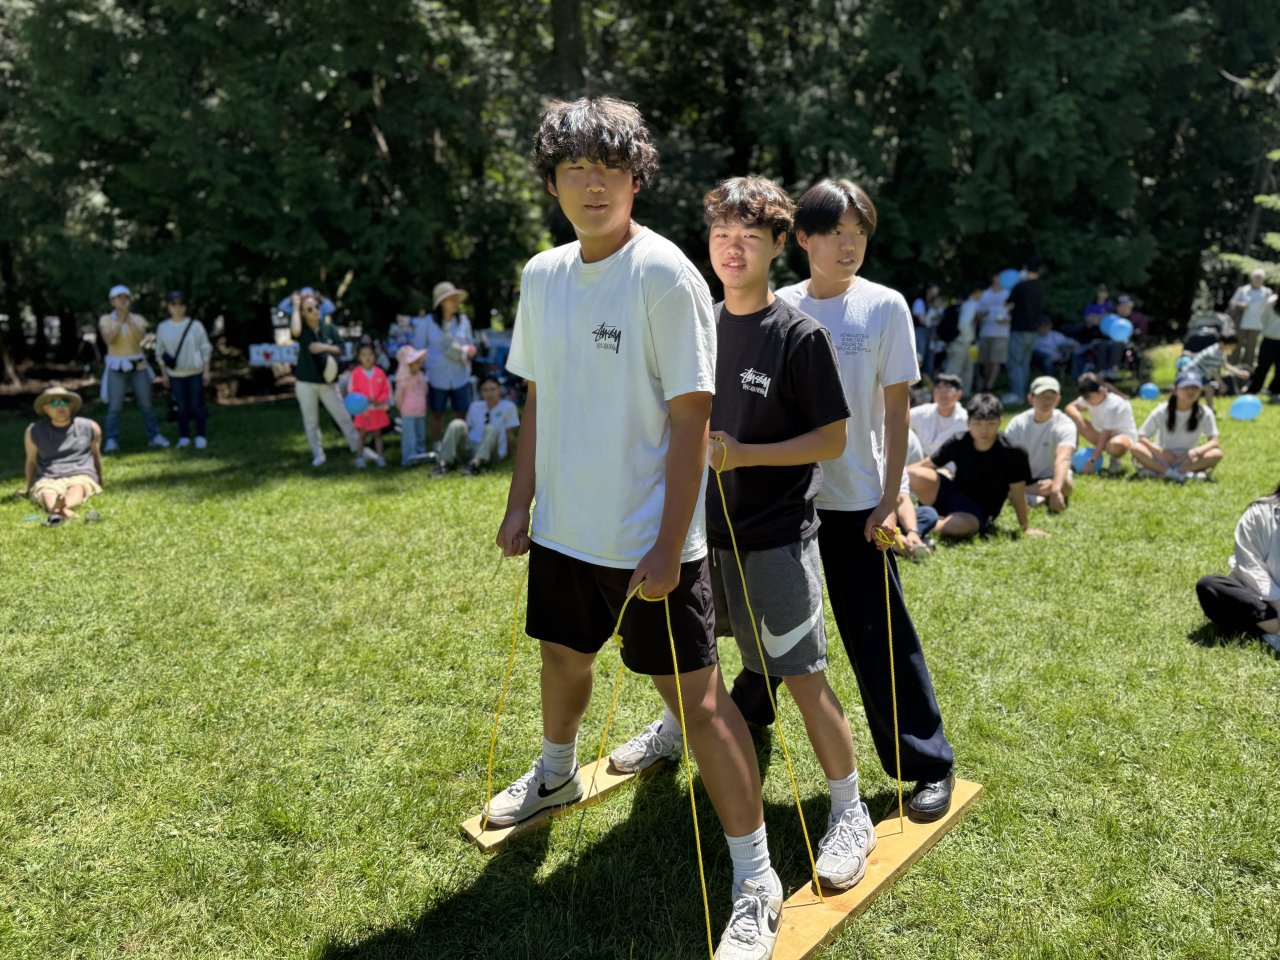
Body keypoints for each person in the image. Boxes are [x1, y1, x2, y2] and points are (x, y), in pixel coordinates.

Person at [487, 97, 783, 960]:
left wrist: (667, 543)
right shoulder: (542, 274)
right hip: (564, 531)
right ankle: (555, 774)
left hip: (654, 544)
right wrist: (520, 500)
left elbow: (693, 419)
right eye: (574, 169)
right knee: (561, 658)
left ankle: (756, 877)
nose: (592, 185)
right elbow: (538, 394)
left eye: (609, 170)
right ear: (551, 182)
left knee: (699, 705)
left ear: (636, 180)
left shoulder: (664, 275)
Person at [610, 176, 878, 894]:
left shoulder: (800, 336)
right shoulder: (695, 322)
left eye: (750, 237)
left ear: (779, 245)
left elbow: (831, 439)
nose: (733, 249)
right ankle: (676, 730)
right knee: (688, 659)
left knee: (802, 676)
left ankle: (849, 809)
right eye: (722, 235)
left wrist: (747, 454)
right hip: (699, 535)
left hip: (775, 537)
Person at [730, 178, 958, 825]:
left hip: (856, 502)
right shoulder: (778, 304)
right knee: (769, 618)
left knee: (878, 636)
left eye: (858, 233)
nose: (848, 245)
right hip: (782, 498)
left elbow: (896, 412)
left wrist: (888, 499)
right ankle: (750, 706)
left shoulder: (884, 306)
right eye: (835, 232)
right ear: (802, 238)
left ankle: (927, 762)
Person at [908, 393, 1046, 539]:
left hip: (979, 510)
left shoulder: (1014, 452)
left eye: (990, 423)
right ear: (968, 422)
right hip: (953, 495)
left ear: (1000, 421)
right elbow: (926, 465)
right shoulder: (959, 441)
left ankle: (914, 525)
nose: (983, 430)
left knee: (954, 528)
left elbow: (1018, 492)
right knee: (913, 473)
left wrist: (1025, 527)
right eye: (977, 423)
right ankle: (901, 513)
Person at [1195, 483, 1280, 654]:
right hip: (1262, 600)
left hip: (1266, 616)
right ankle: (1274, 627)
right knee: (1210, 585)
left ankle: (1268, 629)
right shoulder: (1259, 513)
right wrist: (1278, 605)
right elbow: (1251, 568)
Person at [290, 290, 362, 468]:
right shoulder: (303, 329)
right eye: (309, 309)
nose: (315, 311)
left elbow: (340, 348)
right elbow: (295, 330)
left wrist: (322, 347)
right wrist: (295, 307)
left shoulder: (329, 328)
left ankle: (358, 449)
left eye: (316, 307)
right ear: (303, 313)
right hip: (306, 382)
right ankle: (318, 455)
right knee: (311, 421)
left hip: (328, 382)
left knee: (343, 416)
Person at [98, 284, 168, 452]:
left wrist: (128, 320)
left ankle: (154, 436)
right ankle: (111, 439)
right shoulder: (105, 319)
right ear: (112, 301)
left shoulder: (137, 319)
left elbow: (141, 339)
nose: (122, 301)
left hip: (138, 362)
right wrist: (120, 321)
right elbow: (109, 339)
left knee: (146, 403)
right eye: (119, 298)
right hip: (116, 364)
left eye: (125, 298)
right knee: (115, 406)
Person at [20, 385, 103, 525]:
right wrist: (29, 488)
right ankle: (59, 508)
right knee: (46, 492)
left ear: (71, 406)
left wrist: (100, 480)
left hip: (81, 473)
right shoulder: (34, 431)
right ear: (46, 409)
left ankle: (61, 508)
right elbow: (31, 461)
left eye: (64, 402)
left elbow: (96, 456)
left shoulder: (90, 427)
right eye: (54, 403)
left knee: (78, 488)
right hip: (48, 477)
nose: (60, 407)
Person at [414, 281, 476, 443]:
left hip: (460, 375)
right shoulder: (427, 323)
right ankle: (437, 444)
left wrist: (468, 352)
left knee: (461, 411)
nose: (455, 303)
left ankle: (460, 443)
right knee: (436, 412)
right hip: (437, 376)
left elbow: (471, 344)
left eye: (456, 299)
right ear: (441, 302)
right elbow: (418, 350)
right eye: (451, 299)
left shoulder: (463, 321)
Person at [1132, 369, 1222, 483]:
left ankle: (1179, 471)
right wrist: (1160, 452)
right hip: (1162, 458)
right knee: (1135, 448)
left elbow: (1214, 441)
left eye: (1195, 388)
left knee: (1216, 454)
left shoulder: (1204, 412)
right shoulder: (1162, 410)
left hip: (1188, 459)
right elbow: (1142, 436)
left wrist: (1195, 452)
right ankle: (1170, 473)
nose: (1191, 391)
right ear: (1175, 391)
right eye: (1186, 388)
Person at [1004, 376, 1077, 512]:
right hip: (1022, 476)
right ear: (1031, 398)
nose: (1046, 401)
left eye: (1051, 397)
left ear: (1058, 400)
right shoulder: (1018, 422)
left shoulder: (1065, 424)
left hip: (1051, 476)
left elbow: (1063, 457)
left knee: (1066, 484)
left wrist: (1055, 490)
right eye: (1041, 396)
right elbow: (1005, 456)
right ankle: (1028, 493)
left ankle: (1020, 494)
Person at [154, 290, 213, 449]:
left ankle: (200, 436)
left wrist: (207, 370)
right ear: (168, 307)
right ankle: (184, 436)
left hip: (195, 372)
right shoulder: (163, 327)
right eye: (174, 304)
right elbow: (159, 352)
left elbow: (205, 348)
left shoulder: (196, 325)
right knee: (181, 407)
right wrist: (164, 374)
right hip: (175, 374)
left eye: (181, 304)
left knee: (197, 405)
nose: (177, 308)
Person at [438, 375, 520, 476]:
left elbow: (510, 434)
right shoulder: (474, 406)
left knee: (491, 428)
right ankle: (443, 463)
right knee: (457, 423)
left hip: (492, 450)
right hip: (471, 448)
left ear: (499, 390)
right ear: (481, 392)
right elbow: (467, 429)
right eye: (485, 390)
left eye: (493, 389)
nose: (490, 393)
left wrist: (514, 456)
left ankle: (475, 465)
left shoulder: (509, 407)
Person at [1064, 373, 1137, 475]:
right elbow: (1069, 407)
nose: (1088, 401)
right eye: (1086, 398)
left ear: (1102, 391)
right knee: (1073, 418)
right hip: (1100, 434)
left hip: (1121, 438)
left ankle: (1115, 461)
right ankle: (1070, 454)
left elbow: (1105, 434)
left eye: (1090, 398)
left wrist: (1092, 460)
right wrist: (1078, 417)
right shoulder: (1090, 398)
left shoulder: (1114, 405)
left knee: (1116, 445)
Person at [1005, 255, 1046, 403]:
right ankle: (1023, 392)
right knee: (1024, 363)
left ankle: (1017, 394)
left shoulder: (1020, 286)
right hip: (1033, 330)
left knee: (1015, 362)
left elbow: (1007, 304)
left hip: (1019, 328)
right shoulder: (1041, 286)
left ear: (1025, 268)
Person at [349, 343, 392, 468]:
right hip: (363, 409)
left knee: (378, 434)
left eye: (370, 354)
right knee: (362, 434)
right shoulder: (356, 373)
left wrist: (380, 400)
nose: (367, 357)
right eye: (363, 355)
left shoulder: (380, 372)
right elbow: (353, 390)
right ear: (359, 357)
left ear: (374, 356)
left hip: (377, 409)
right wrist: (364, 400)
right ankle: (360, 457)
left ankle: (380, 457)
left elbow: (385, 389)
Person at [1181, 334, 1249, 408]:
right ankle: (1208, 408)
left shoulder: (1219, 350)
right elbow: (1214, 373)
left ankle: (1207, 408)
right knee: (1208, 389)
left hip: (1199, 374)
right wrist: (1221, 384)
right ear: (1222, 343)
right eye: (1231, 347)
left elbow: (1226, 365)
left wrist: (1240, 373)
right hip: (1192, 374)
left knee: (1208, 389)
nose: (1232, 350)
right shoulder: (1214, 354)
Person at [909, 373, 968, 458]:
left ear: (959, 394)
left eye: (948, 388)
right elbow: (900, 422)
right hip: (918, 461)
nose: (942, 393)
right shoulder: (923, 412)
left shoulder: (965, 420)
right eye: (939, 388)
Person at [943, 281, 984, 394]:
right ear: (976, 292)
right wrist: (969, 339)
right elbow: (963, 324)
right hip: (961, 341)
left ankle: (964, 392)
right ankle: (945, 391)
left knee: (967, 367)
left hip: (962, 341)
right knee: (954, 368)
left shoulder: (965, 304)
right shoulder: (972, 304)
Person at [1229, 268, 1274, 367]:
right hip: (1241, 323)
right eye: (1256, 278)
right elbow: (1233, 302)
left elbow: (1271, 307)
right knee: (1237, 345)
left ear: (1263, 280)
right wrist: (1240, 305)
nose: (1257, 280)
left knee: (1251, 348)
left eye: (1260, 278)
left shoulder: (1267, 292)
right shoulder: (1243, 290)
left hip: (1257, 325)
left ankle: (1247, 369)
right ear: (1251, 278)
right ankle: (1232, 367)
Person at [394, 345, 429, 466]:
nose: (418, 365)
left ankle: (421, 454)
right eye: (415, 362)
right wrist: (401, 408)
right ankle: (409, 457)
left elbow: (424, 391)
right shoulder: (403, 380)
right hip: (408, 412)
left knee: (421, 434)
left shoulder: (421, 376)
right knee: (409, 437)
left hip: (420, 410)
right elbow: (398, 397)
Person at [976, 272, 1011, 392]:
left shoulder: (1008, 294)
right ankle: (987, 383)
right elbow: (977, 312)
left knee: (996, 360)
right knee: (986, 361)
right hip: (985, 331)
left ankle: (989, 387)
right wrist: (982, 315)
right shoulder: (985, 294)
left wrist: (1007, 320)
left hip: (1001, 333)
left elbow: (1013, 312)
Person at [1244, 288, 1280, 401]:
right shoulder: (1271, 301)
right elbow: (1263, 318)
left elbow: (1263, 318)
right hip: (1269, 339)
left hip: (1269, 337)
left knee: (1264, 367)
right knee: (1264, 367)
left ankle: (1268, 390)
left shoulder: (1271, 300)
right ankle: (1260, 389)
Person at [911, 284, 943, 379]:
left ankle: (927, 381)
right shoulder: (920, 302)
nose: (935, 295)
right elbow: (922, 321)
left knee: (929, 359)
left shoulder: (932, 304)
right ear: (928, 291)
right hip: (921, 332)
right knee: (919, 357)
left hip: (931, 334)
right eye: (933, 292)